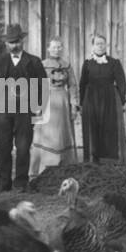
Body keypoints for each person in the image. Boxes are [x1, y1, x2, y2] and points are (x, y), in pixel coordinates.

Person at [0, 23, 48, 193]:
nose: (14, 45)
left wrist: (38, 108)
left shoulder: (34, 62)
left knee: (23, 147)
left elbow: (42, 86)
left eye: (17, 41)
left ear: (23, 41)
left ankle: (21, 183)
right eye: (11, 42)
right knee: (3, 147)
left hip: (25, 111)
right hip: (3, 110)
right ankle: (4, 184)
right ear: (6, 44)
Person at [29, 37, 78, 176]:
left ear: (62, 49)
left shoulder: (66, 65)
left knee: (62, 133)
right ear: (48, 49)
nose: (57, 50)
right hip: (47, 100)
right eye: (54, 47)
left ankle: (64, 166)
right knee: (47, 134)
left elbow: (73, 85)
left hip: (63, 101)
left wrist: (74, 104)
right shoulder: (42, 64)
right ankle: (44, 168)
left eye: (59, 47)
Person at [78, 34, 126, 164]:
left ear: (106, 45)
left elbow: (121, 83)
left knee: (109, 128)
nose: (100, 46)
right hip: (91, 99)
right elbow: (82, 83)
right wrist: (82, 103)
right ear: (93, 46)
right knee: (92, 128)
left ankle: (110, 160)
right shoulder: (87, 63)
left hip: (110, 99)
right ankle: (93, 158)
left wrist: (121, 101)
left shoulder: (114, 63)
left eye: (102, 44)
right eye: (97, 44)